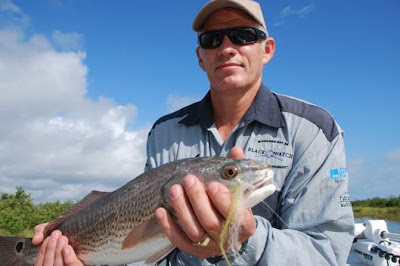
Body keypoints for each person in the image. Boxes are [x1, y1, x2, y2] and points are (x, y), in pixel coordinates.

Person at [32, 0, 355, 265]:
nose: (227, 48)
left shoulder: (316, 130)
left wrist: (245, 239)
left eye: (242, 35)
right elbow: (146, 250)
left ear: (267, 49)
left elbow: (328, 253)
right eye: (212, 39)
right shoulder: (164, 131)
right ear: (201, 58)